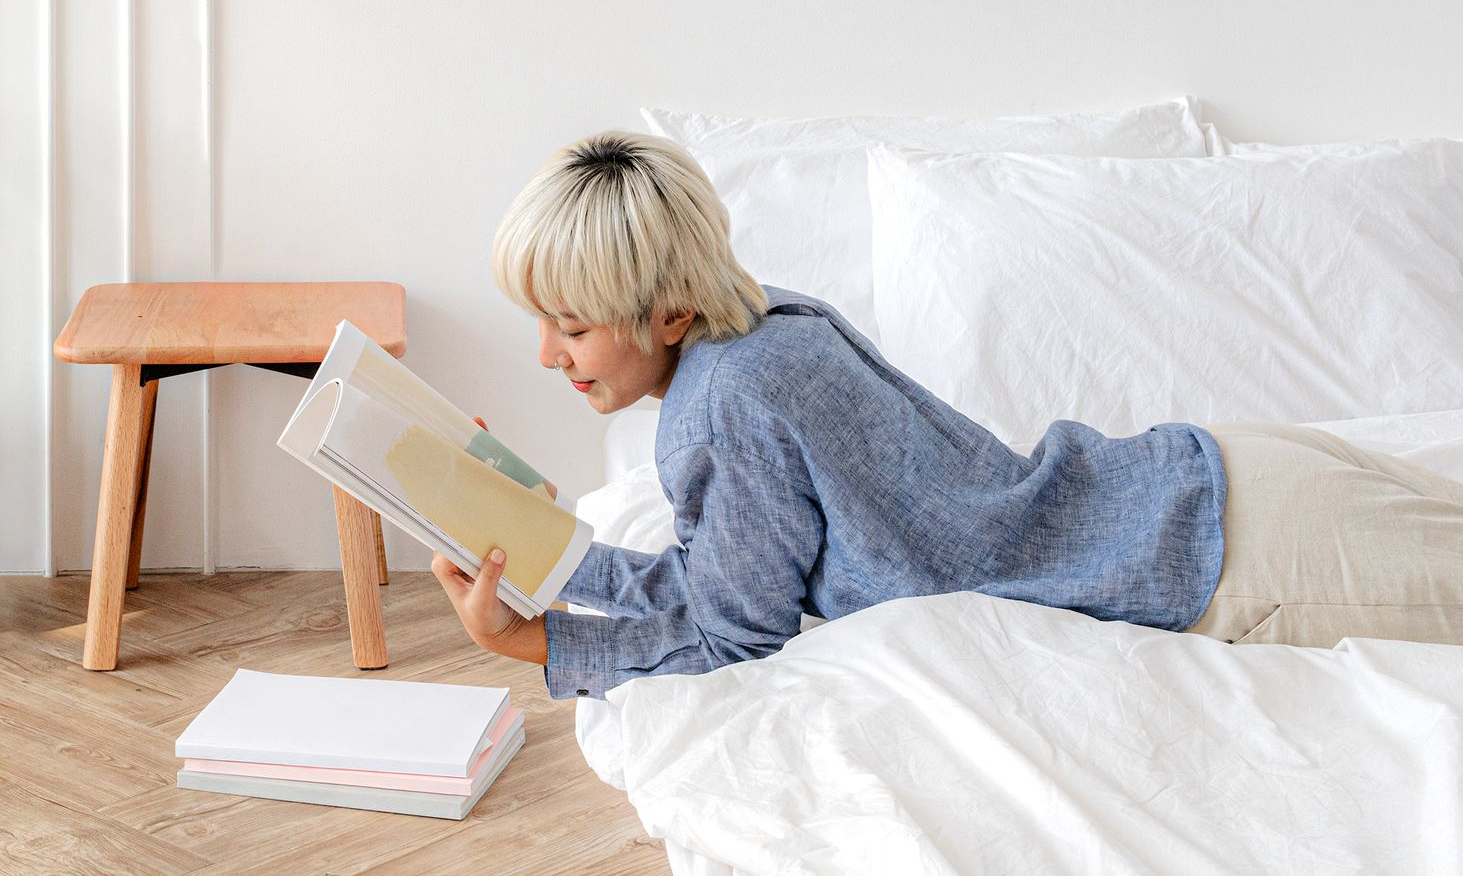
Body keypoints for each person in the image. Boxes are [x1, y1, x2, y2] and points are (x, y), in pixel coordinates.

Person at [432, 131, 1463, 700]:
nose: (545, 355)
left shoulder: (723, 408)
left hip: (1230, 556)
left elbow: (728, 636)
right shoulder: (772, 323)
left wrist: (535, 647)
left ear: (667, 310)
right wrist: (559, 560)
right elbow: (739, 575)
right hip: (1216, 479)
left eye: (569, 328)